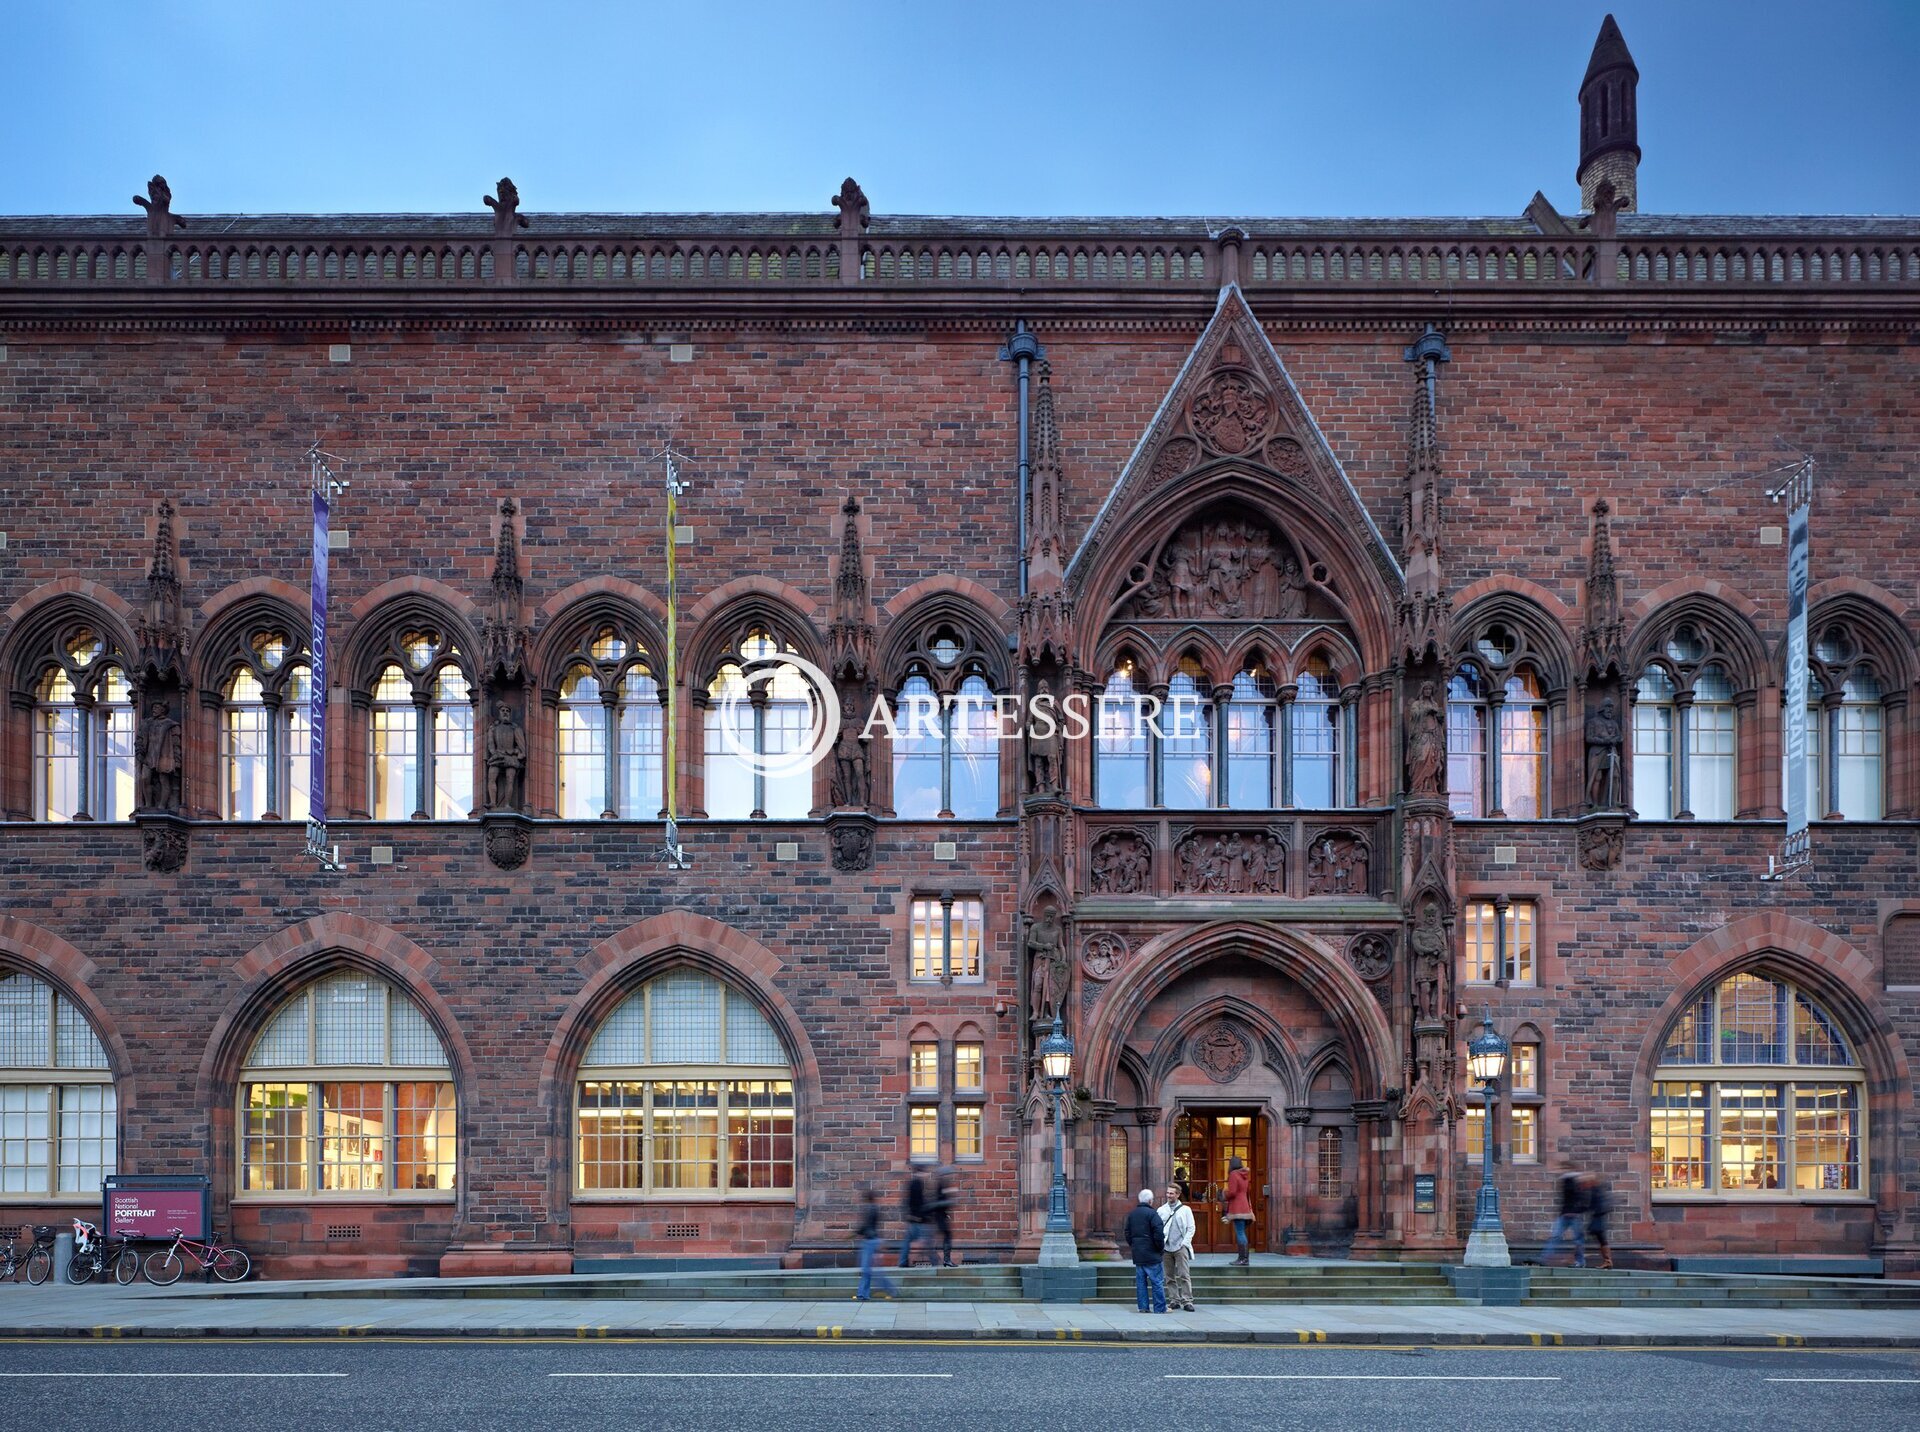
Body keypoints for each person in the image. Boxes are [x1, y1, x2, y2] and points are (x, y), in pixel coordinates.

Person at [1122, 1188, 1167, 1313]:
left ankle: (1143, 1307)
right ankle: (1159, 1308)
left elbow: (1127, 1233)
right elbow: (1158, 1234)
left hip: (1138, 1253)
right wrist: (1160, 1248)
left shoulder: (1132, 1214)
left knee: (1141, 1283)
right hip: (1152, 1254)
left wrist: (1134, 1245)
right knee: (1157, 1282)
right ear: (1150, 1201)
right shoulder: (1153, 1214)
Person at [1539, 1171, 1591, 1267]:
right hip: (1564, 1215)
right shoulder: (1566, 1181)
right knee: (1556, 1237)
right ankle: (1544, 1258)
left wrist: (1576, 1211)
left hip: (1574, 1216)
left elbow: (1585, 1200)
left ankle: (1580, 1261)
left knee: (1577, 1239)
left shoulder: (1577, 1182)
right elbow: (1566, 1200)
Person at [1159, 1182, 1197, 1312]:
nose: (1168, 1195)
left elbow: (1191, 1227)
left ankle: (1187, 1301)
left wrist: (1185, 1243)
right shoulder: (1161, 1210)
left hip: (1180, 1247)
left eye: (1171, 1193)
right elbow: (1158, 1228)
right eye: (1168, 1193)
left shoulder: (1186, 1210)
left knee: (1184, 1274)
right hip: (1166, 1248)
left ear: (1178, 1195)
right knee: (1169, 1276)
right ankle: (1174, 1300)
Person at [853, 1187, 896, 1302]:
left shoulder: (869, 1209)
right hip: (873, 1240)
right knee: (872, 1270)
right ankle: (864, 1294)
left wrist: (855, 1233)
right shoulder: (874, 1208)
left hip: (869, 1241)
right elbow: (874, 1226)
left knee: (867, 1270)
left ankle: (863, 1294)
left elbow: (866, 1225)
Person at [1223, 1155, 1253, 1267]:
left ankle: (1243, 1259)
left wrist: (1224, 1193)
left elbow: (1232, 1192)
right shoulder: (1244, 1175)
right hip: (1244, 1205)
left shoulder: (1233, 1174)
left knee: (1240, 1232)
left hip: (1237, 1207)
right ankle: (1244, 1258)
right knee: (1241, 1232)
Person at [898, 1166, 931, 1268]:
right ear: (920, 1172)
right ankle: (935, 1261)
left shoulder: (912, 1183)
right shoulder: (917, 1183)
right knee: (927, 1239)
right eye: (924, 1173)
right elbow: (918, 1202)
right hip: (918, 1218)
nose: (926, 1175)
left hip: (913, 1217)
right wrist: (922, 1216)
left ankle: (902, 1261)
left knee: (907, 1241)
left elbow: (908, 1201)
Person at [1585, 1173, 1614, 1270]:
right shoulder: (1596, 1190)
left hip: (1598, 1219)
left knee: (1601, 1240)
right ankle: (1607, 1261)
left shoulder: (1596, 1190)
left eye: (1589, 1181)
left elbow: (1599, 1205)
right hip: (1598, 1218)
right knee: (1602, 1240)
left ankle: (1608, 1261)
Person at [929, 1168, 958, 1268]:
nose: (949, 1177)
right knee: (946, 1236)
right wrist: (949, 1202)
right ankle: (945, 1260)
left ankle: (942, 1259)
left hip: (941, 1216)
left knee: (942, 1237)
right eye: (947, 1175)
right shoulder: (940, 1185)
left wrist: (946, 1213)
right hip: (938, 1217)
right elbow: (936, 1203)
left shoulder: (943, 1185)